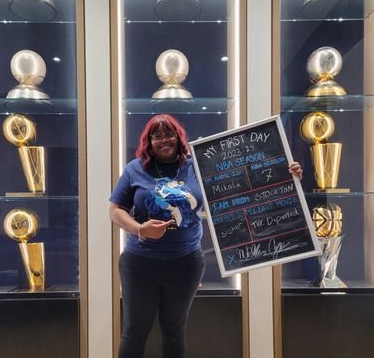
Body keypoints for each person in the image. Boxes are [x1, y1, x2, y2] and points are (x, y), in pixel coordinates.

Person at [109, 114, 303, 358]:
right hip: (140, 263)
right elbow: (115, 210)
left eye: (169, 134)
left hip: (185, 263)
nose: (163, 140)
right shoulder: (134, 169)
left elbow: (246, 182)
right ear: (148, 141)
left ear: (179, 138)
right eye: (156, 136)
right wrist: (139, 229)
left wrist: (285, 173)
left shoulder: (198, 165)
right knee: (134, 331)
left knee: (174, 330)